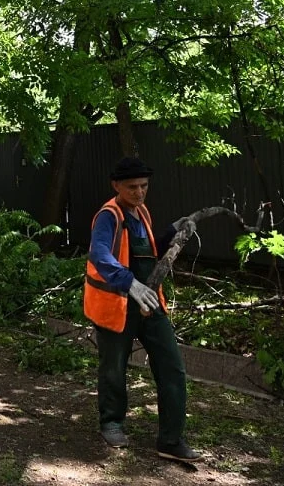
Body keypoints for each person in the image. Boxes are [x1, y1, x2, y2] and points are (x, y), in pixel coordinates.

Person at [84, 156, 201, 462]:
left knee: (172, 367)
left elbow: (149, 248)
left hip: (149, 304)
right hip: (117, 306)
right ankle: (111, 422)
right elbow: (98, 254)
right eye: (132, 187)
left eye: (144, 186)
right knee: (113, 368)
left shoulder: (142, 212)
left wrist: (175, 230)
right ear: (116, 186)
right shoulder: (108, 216)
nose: (139, 192)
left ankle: (171, 440)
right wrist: (129, 283)